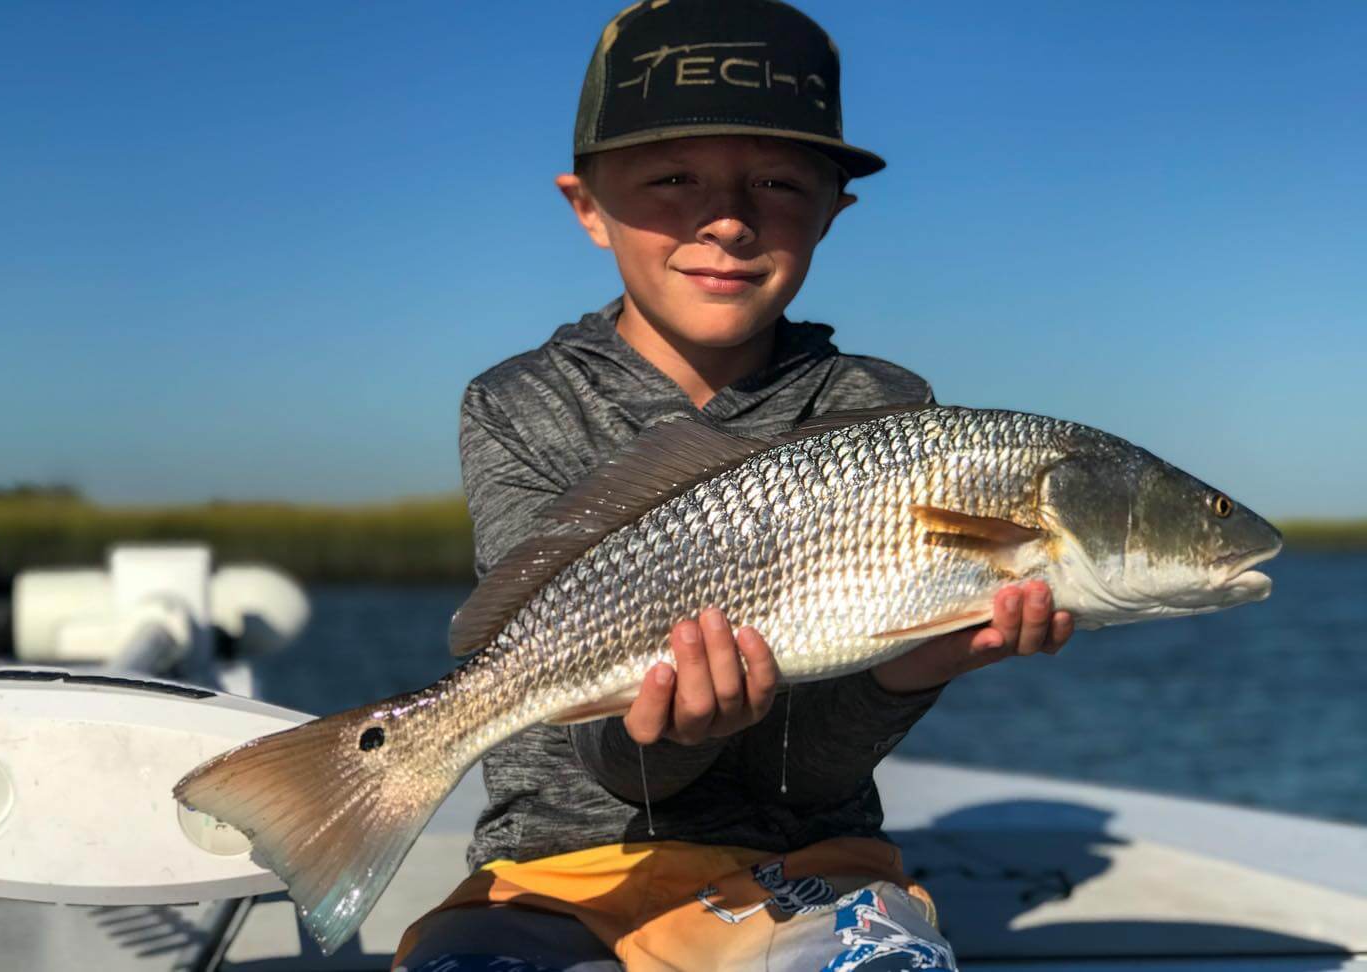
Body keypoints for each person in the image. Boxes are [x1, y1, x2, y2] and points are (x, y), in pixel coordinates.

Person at [394, 1, 1073, 969]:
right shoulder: (518, 403)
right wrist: (668, 734)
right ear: (587, 205)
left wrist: (916, 667)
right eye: (671, 178)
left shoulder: (890, 410)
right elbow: (598, 758)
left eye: (778, 183)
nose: (726, 219)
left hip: (812, 865)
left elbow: (812, 770)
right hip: (562, 873)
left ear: (835, 207)